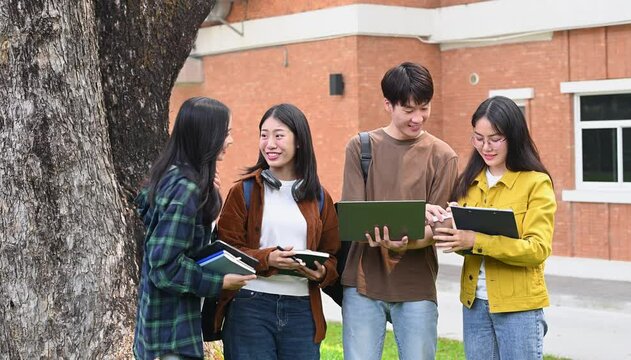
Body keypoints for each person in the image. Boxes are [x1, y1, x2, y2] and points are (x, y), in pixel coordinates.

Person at [340, 62, 459, 360]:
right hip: (363, 282)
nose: (418, 118)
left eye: (424, 107)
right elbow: (354, 217)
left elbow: (440, 228)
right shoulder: (361, 147)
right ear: (388, 105)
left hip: (417, 284)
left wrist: (408, 241)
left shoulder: (443, 156)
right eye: (408, 110)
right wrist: (414, 217)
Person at [432, 96, 557, 360]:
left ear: (513, 137)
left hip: (519, 307)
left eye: (495, 139)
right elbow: (464, 246)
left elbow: (537, 249)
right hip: (474, 304)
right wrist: (449, 229)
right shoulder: (470, 181)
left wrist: (475, 238)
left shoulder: (536, 183)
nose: (485, 147)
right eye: (478, 138)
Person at [133, 97, 256, 360]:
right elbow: (164, 267)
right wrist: (219, 282)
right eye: (226, 133)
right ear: (206, 136)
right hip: (171, 336)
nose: (230, 141)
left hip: (161, 330)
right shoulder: (185, 188)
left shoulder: (175, 177)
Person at [216, 103, 341, 360]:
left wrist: (320, 271)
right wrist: (267, 259)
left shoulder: (319, 197)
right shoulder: (244, 191)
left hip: (302, 312)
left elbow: (333, 255)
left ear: (299, 142)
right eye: (264, 135)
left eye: (279, 135)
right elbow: (225, 250)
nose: (269, 143)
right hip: (250, 307)